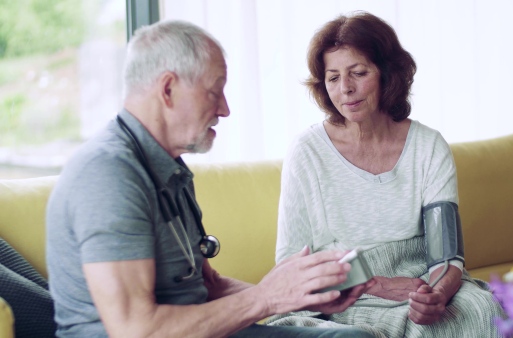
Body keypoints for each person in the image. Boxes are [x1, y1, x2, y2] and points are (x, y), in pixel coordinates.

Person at [45, 20, 377, 338]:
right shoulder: (108, 176)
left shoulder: (168, 167)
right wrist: (268, 298)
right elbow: (137, 331)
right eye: (214, 90)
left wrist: (304, 297)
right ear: (168, 89)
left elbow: (210, 285)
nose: (225, 108)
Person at [267, 11, 505, 338]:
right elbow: (291, 266)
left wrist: (434, 295)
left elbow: (446, 255)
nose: (346, 89)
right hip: (346, 294)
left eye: (358, 72)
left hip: (422, 281)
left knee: (483, 312)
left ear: (387, 74)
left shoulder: (428, 145)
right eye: (333, 78)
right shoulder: (306, 151)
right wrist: (374, 284)